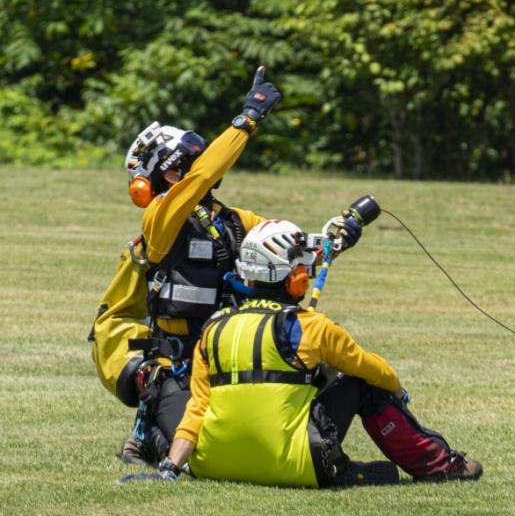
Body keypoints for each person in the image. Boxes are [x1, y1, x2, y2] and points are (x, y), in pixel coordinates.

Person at [89, 66, 364, 464]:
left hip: (228, 356)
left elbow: (289, 247)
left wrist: (332, 239)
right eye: (190, 163)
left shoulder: (232, 222)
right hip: (176, 364)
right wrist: (247, 120)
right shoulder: (160, 222)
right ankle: (148, 433)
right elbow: (198, 180)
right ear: (169, 172)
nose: (204, 168)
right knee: (198, 454)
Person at [123, 219, 482, 487]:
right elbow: (376, 370)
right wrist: (396, 388)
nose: (305, 275)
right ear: (290, 277)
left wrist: (172, 466)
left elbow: (198, 409)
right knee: (366, 383)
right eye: (300, 269)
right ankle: (439, 466)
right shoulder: (313, 326)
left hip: (213, 465)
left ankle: (156, 450)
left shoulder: (214, 329)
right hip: (299, 466)